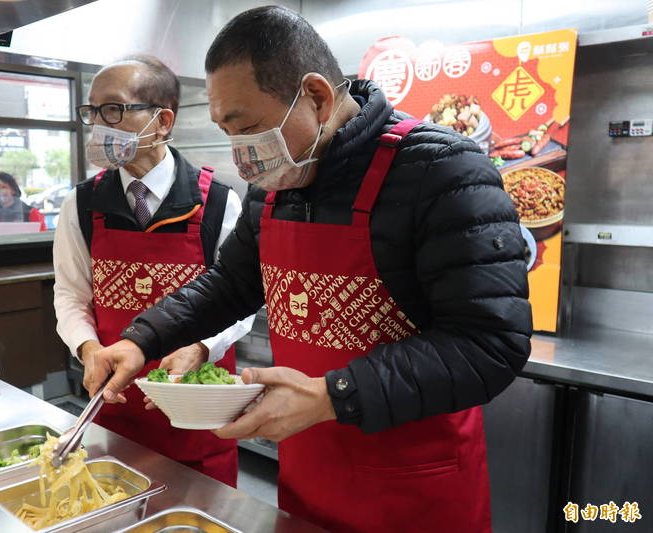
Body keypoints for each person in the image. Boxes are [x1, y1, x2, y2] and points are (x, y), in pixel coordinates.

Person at [84, 7, 533, 533]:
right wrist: (142, 340)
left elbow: (490, 343)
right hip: (309, 476)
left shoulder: (441, 171)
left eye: (248, 127)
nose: (241, 154)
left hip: (414, 486)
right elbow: (231, 285)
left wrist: (330, 396)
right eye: (226, 132)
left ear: (317, 98)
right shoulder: (276, 186)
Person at [53, 55, 254, 487]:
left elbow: (243, 300)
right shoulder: (82, 204)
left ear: (162, 121)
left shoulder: (219, 202)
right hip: (114, 405)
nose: (98, 126)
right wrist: (87, 349)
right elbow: (70, 295)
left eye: (114, 110)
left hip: (197, 409)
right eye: (92, 112)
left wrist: (201, 346)